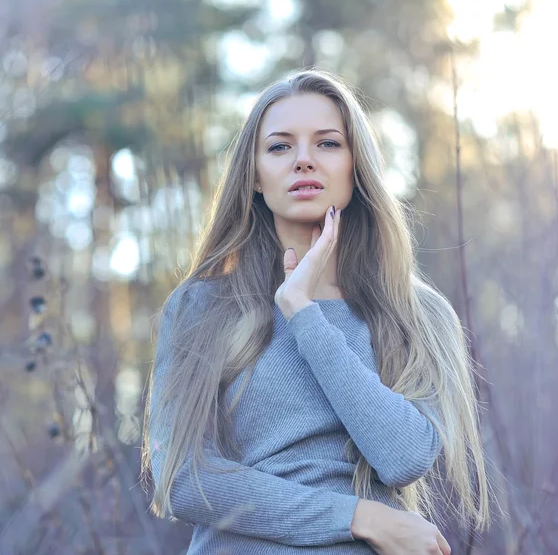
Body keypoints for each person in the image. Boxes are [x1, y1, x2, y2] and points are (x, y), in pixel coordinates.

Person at [140, 69, 494, 554]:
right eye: (280, 147)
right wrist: (356, 516)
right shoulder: (202, 307)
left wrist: (304, 315)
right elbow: (183, 480)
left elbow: (404, 457)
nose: (304, 160)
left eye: (328, 143)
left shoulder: (419, 315)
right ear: (255, 177)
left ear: (357, 165)